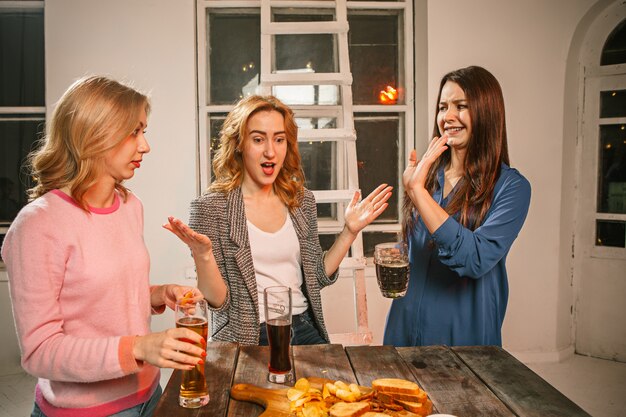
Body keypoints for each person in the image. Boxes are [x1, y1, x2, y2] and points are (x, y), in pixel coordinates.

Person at [1, 76, 206, 417]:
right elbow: (40, 351)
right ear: (94, 133)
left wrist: (158, 294)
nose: (145, 146)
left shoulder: (129, 205)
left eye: (144, 131)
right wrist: (140, 348)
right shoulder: (38, 224)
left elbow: (105, 296)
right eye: (134, 132)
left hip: (150, 395)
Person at [165, 95, 392, 346]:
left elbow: (316, 277)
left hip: (303, 327)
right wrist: (203, 254)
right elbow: (218, 302)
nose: (270, 151)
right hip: (247, 336)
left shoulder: (301, 201)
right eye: (258, 139)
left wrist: (349, 231)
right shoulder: (210, 207)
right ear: (239, 144)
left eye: (279, 139)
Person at [383, 66, 531, 347]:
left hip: (463, 338)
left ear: (487, 112)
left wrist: (417, 194)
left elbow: (475, 259)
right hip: (404, 329)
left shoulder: (512, 188)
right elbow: (415, 250)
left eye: (460, 106)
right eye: (442, 107)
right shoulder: (426, 178)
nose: (447, 117)